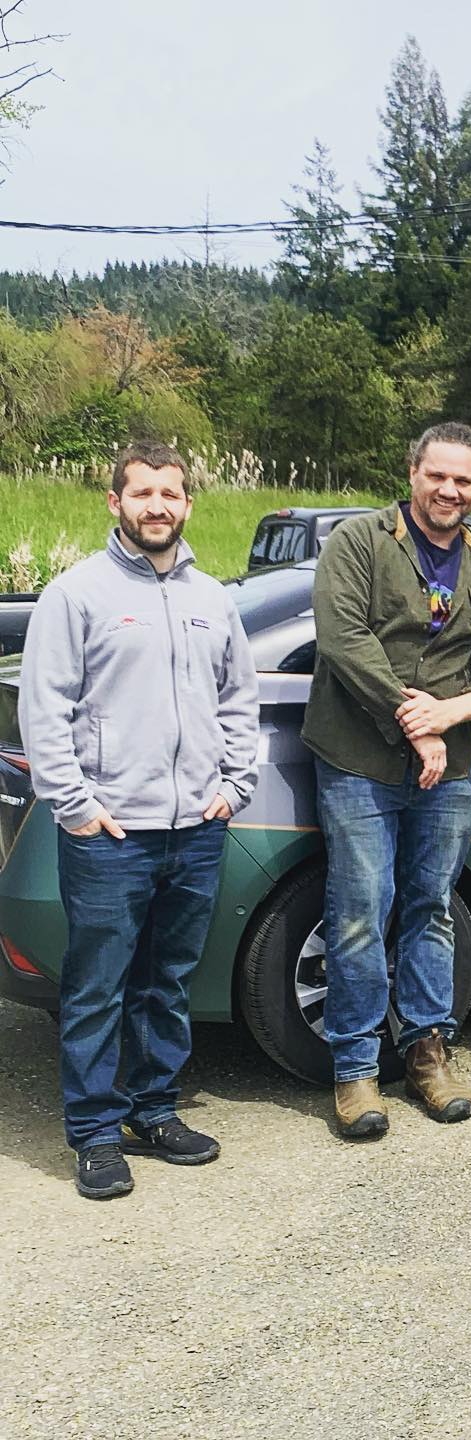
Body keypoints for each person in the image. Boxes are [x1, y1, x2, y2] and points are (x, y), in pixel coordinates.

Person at [19, 442, 260, 1200]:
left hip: (196, 829)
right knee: (97, 987)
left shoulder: (212, 599)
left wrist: (235, 786)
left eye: (170, 493)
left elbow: (238, 699)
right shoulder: (76, 594)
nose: (158, 505)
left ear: (187, 504)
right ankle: (95, 1133)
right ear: (115, 502)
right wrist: (78, 806)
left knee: (167, 982)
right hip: (111, 836)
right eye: (142, 493)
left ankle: (154, 1112)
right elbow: (44, 709)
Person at [303, 421, 471, 1139]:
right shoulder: (359, 543)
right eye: (438, 476)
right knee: (359, 912)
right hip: (359, 762)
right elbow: (344, 641)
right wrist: (415, 724)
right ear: (412, 474)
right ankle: (355, 1071)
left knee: (430, 908)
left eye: (464, 480)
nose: (449, 491)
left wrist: (453, 713)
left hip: (445, 772)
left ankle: (428, 1055)